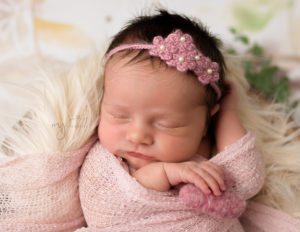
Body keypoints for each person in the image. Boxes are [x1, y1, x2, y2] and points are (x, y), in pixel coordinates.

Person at [78, 10, 265, 231]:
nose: (137, 135)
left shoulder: (205, 153)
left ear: (205, 123)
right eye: (119, 116)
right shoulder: (106, 162)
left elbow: (247, 176)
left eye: (167, 124)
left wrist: (228, 113)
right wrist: (164, 173)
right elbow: (103, 209)